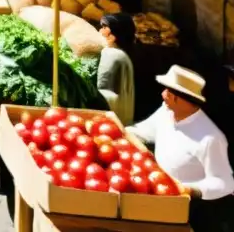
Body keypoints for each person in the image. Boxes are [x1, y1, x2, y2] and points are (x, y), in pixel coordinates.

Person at [127, 65, 234, 230]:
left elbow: (224, 184)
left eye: (170, 93)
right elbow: (142, 131)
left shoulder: (210, 137)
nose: (163, 95)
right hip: (163, 202)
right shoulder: (167, 113)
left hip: (196, 213)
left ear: (183, 99)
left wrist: (191, 190)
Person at [97, 13, 136, 125]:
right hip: (122, 116)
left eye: (104, 27)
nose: (100, 31)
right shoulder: (121, 54)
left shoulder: (111, 54)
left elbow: (102, 88)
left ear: (114, 34)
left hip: (109, 117)